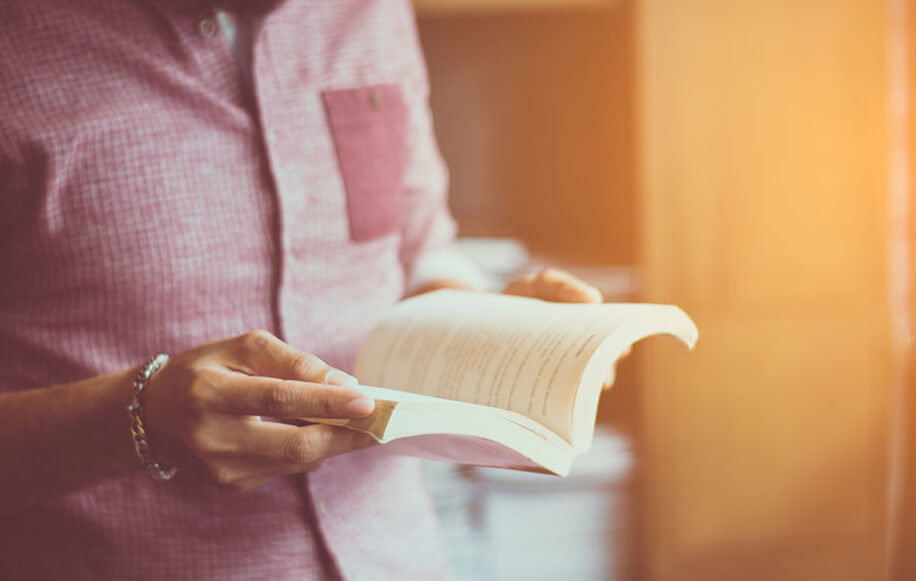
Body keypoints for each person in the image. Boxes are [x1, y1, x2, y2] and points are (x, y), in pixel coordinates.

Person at [0, 0, 604, 578]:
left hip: (401, 558)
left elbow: (418, 247)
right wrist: (138, 418)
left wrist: (495, 333)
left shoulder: (371, 11)